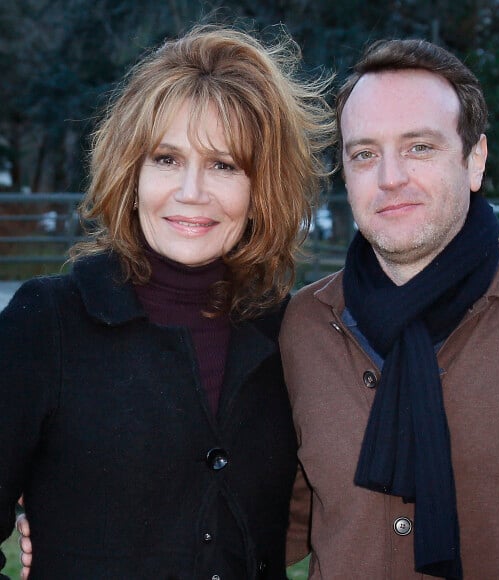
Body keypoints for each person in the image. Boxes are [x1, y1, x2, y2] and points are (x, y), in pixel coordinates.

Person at [0, 23, 333, 579]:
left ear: (261, 190)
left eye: (224, 165)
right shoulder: (46, 324)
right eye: (166, 159)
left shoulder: (290, 332)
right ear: (131, 172)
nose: (191, 192)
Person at [281, 39, 499, 578]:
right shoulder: (301, 327)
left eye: (419, 147)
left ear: (475, 159)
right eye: (364, 154)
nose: (390, 177)